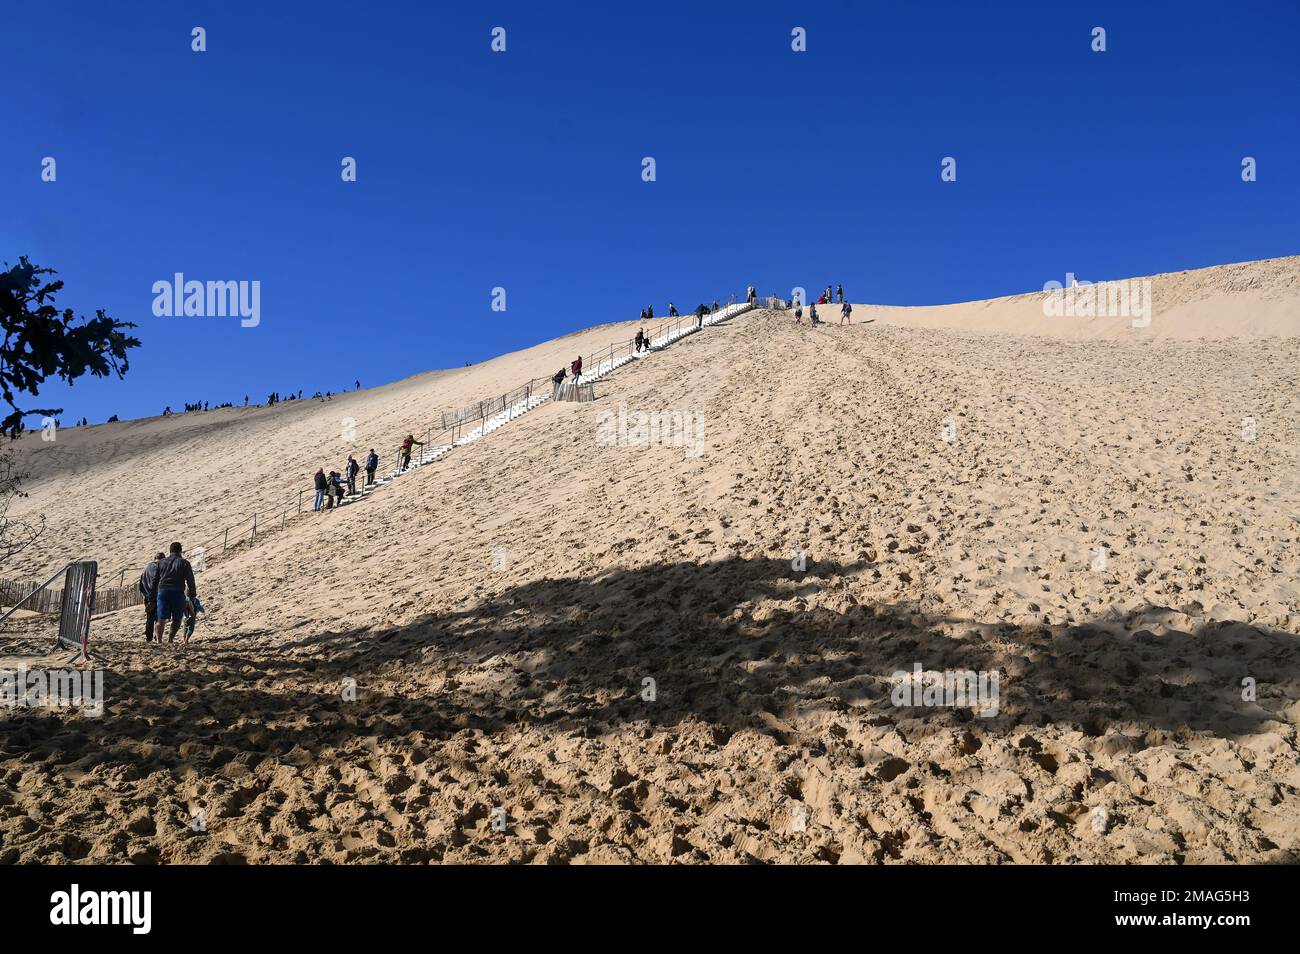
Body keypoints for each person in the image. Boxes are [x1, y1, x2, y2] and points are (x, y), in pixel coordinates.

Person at [154, 542, 197, 644]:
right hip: (177, 592)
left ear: (170, 551)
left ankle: (159, 641)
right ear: (180, 551)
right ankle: (170, 639)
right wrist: (193, 594)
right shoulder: (184, 563)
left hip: (163, 592)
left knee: (161, 619)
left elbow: (155, 580)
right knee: (177, 619)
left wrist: (152, 595)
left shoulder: (161, 562)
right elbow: (190, 580)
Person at [138, 552, 164, 642]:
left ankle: (148, 639)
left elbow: (141, 584)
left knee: (149, 618)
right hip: (158, 595)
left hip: (147, 596)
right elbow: (157, 582)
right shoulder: (160, 567)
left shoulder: (146, 567)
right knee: (158, 618)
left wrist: (146, 594)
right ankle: (157, 638)